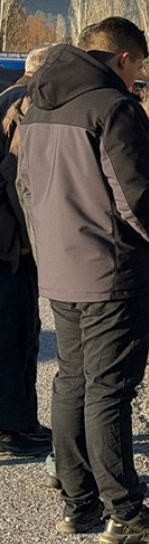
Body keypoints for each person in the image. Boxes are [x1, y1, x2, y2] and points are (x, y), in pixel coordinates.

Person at [18, 17, 149, 544]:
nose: (138, 76)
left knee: (72, 380)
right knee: (110, 390)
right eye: (139, 65)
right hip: (113, 271)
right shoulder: (115, 108)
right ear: (123, 58)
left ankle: (79, 504)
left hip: (61, 270)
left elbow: (25, 187)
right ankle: (125, 510)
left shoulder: (39, 106)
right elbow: (134, 197)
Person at [0, 44, 53, 458]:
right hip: (11, 245)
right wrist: (37, 237)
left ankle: (19, 423)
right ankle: (14, 428)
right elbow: (20, 179)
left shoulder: (7, 97)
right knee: (16, 335)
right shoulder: (28, 104)